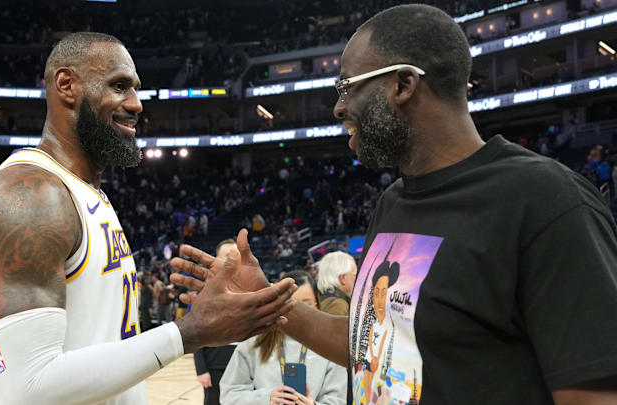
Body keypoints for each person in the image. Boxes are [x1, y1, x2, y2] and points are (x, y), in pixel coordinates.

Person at [170, 5, 617, 405]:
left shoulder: (546, 202)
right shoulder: (393, 202)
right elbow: (375, 344)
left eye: (347, 87)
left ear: (403, 84)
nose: (338, 108)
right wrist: (271, 305)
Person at [0, 32, 296, 405]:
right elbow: (28, 383)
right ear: (66, 85)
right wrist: (187, 333)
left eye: (136, 89)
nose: (137, 104)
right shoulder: (29, 195)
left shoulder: (87, 194)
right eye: (119, 86)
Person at [220, 271, 346, 405]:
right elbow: (229, 395)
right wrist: (265, 399)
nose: (298, 313)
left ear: (317, 304)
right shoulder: (255, 341)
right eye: (290, 305)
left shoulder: (329, 345)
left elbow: (340, 400)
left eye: (307, 305)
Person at [193, 239, 239, 405]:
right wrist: (201, 369)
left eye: (236, 255)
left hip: (243, 365)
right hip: (215, 366)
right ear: (217, 260)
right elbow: (197, 332)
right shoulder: (206, 291)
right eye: (227, 256)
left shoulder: (252, 288)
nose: (232, 259)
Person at [316, 251, 356, 316]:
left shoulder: (318, 300)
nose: (357, 280)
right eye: (355, 275)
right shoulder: (338, 305)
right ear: (343, 278)